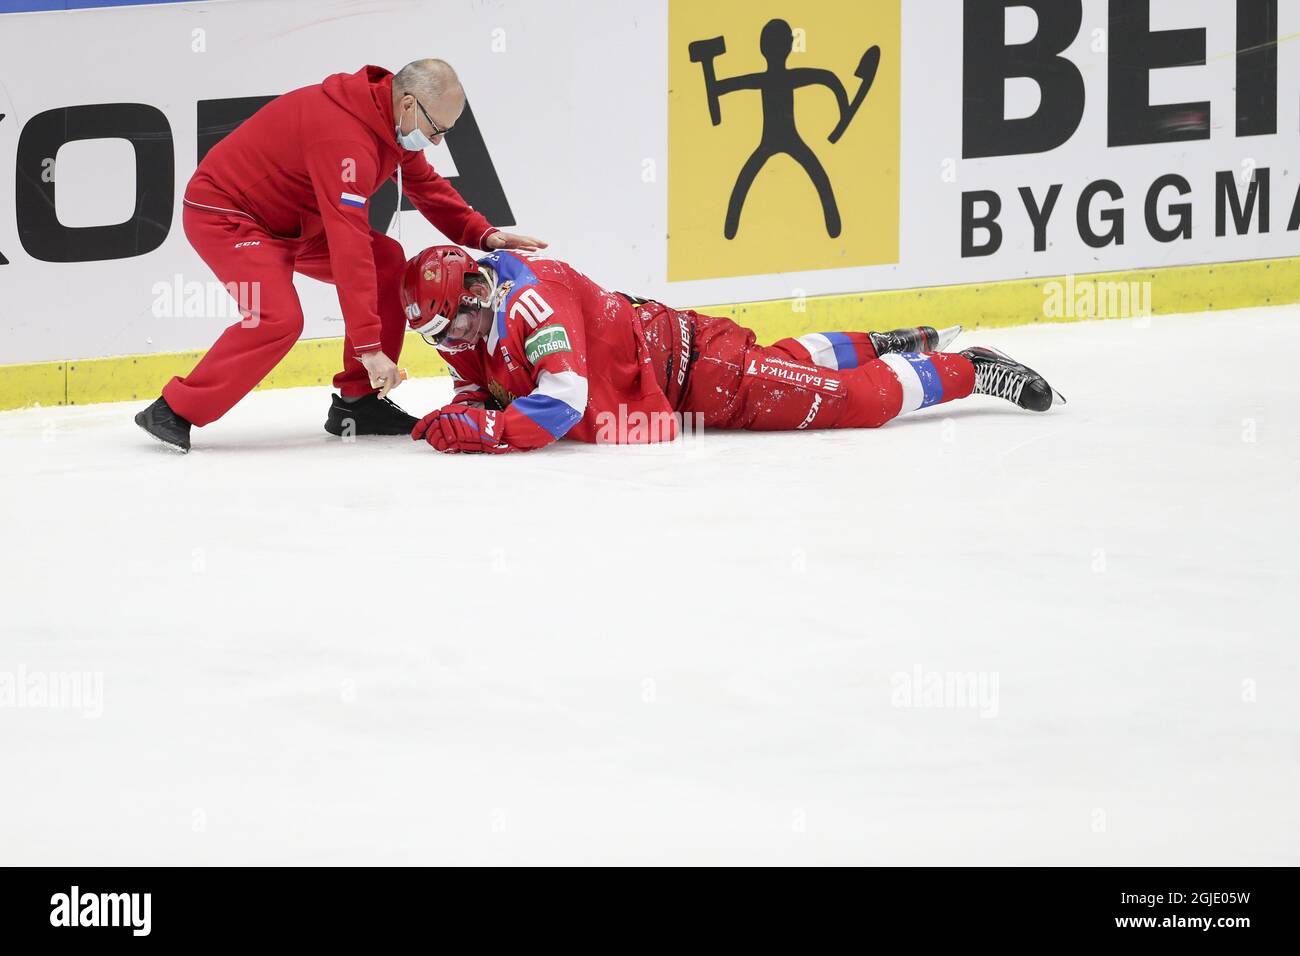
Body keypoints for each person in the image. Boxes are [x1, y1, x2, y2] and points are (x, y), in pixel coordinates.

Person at [134, 59, 544, 453]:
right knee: (279, 320)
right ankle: (174, 409)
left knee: (387, 261)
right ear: (407, 103)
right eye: (436, 130)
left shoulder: (389, 124)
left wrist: (484, 235)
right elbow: (348, 245)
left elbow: (428, 188)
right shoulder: (345, 138)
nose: (437, 142)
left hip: (295, 223)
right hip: (229, 216)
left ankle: (358, 403)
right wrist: (370, 348)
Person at [398, 246, 1065, 455]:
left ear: (476, 293)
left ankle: (970, 370)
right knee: (794, 362)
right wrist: (470, 404)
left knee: (851, 405)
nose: (450, 345)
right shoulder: (471, 314)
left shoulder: (528, 303)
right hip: (675, 364)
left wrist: (489, 429)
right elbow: (478, 379)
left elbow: (564, 401)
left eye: (450, 329)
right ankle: (888, 343)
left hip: (703, 376)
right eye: (437, 340)